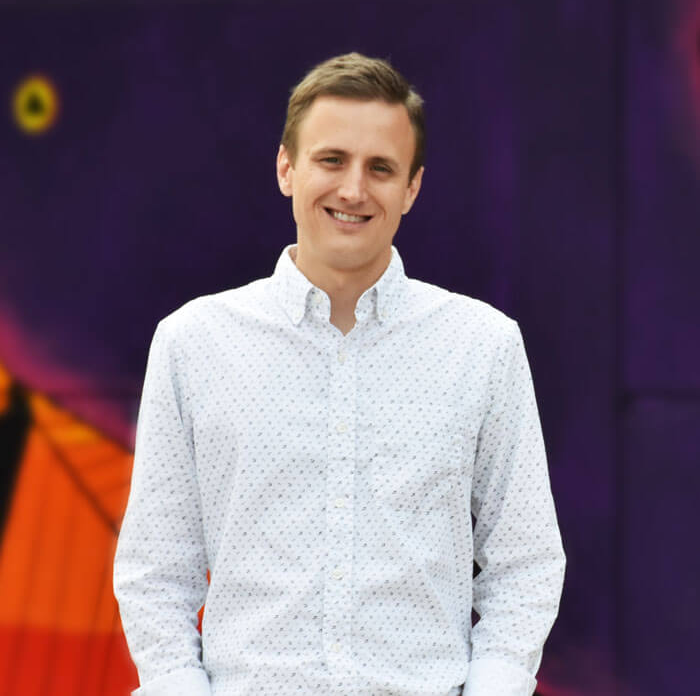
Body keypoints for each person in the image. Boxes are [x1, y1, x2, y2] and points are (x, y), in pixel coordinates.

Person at [113, 52, 565, 696]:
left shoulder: (483, 347)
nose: (353, 189)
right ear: (286, 168)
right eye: (331, 160)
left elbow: (525, 563)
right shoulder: (192, 343)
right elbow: (157, 570)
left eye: (381, 168)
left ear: (411, 188)